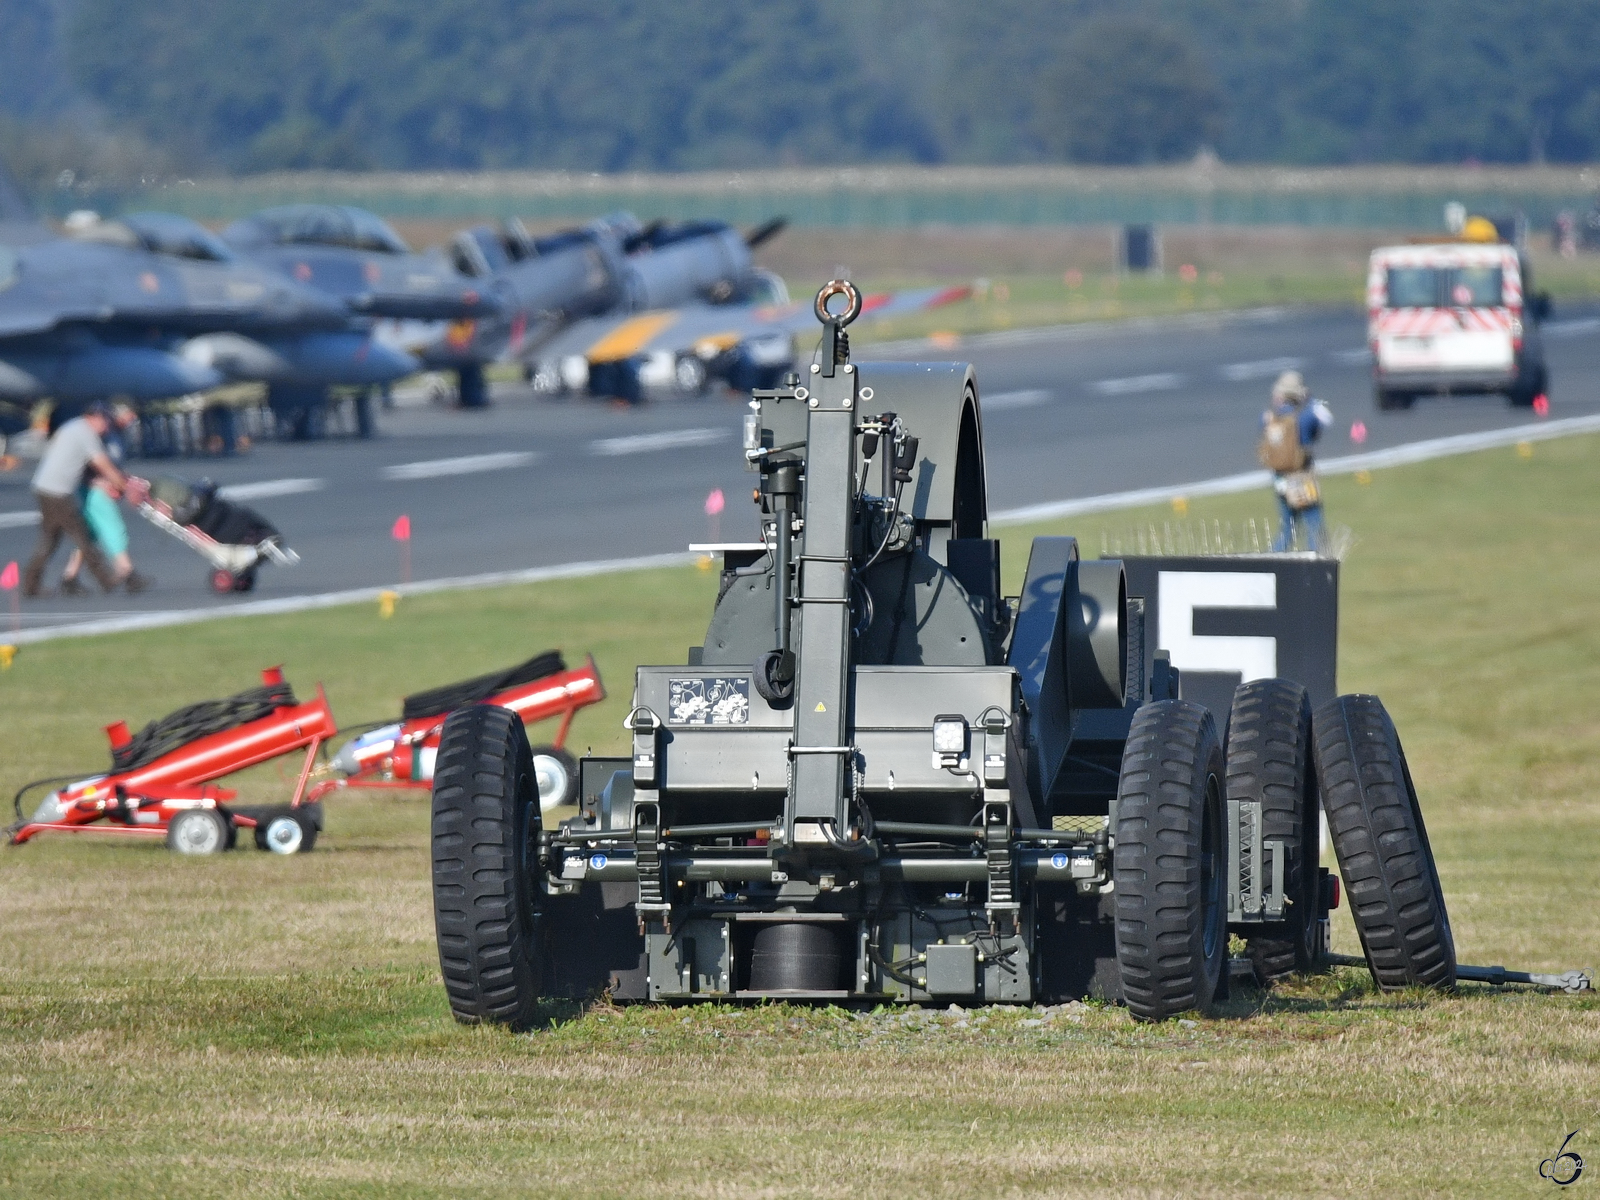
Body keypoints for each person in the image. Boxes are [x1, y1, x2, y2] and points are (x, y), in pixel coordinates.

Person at [22, 402, 150, 596]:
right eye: (104, 421)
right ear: (94, 418)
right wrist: (125, 487)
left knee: (50, 539)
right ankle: (105, 579)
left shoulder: (74, 427)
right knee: (81, 536)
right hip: (57, 492)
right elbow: (103, 465)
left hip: (46, 488)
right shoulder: (86, 434)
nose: (106, 426)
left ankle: (32, 584)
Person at [1258, 370, 1332, 553]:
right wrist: (1309, 399)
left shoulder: (1268, 418)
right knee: (1314, 523)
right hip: (1302, 477)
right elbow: (1317, 430)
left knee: (1287, 529)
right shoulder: (1305, 417)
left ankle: (1271, 560)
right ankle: (1315, 560)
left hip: (1279, 478)